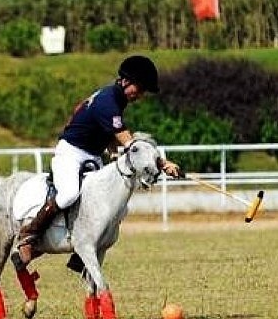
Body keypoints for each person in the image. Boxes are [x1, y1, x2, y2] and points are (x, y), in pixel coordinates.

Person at [16, 55, 182, 265]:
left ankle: (81, 253)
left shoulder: (117, 99)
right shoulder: (108, 101)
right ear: (125, 81)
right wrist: (162, 163)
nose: (140, 95)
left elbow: (108, 132)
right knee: (68, 195)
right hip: (71, 152)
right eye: (139, 89)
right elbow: (130, 144)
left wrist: (113, 154)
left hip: (92, 155)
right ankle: (30, 235)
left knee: (115, 204)